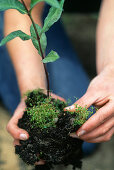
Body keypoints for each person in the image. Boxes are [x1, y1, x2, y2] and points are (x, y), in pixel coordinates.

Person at [0, 0, 114, 165]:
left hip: (42, 8)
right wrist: (33, 93)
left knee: (85, 131)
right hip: (19, 9)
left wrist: (110, 71)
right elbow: (20, 14)